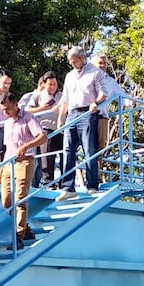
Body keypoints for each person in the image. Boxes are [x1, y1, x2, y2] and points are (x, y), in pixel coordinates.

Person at [56, 46, 108, 201]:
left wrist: (95, 102)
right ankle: (68, 187)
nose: (72, 64)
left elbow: (103, 93)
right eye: (70, 62)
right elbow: (65, 98)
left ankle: (92, 185)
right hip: (71, 114)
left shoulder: (95, 72)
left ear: (82, 58)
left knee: (89, 150)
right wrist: (61, 118)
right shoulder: (69, 76)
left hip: (88, 113)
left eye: (74, 61)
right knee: (68, 150)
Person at [0, 93, 47, 250]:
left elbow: (43, 137)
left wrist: (26, 145)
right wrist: (0, 170)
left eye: (9, 109)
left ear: (16, 104)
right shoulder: (7, 123)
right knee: (6, 200)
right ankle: (26, 228)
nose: (7, 113)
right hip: (9, 162)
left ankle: (18, 236)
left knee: (20, 198)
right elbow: (7, 148)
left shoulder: (28, 117)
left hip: (25, 161)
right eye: (4, 110)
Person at [91, 53, 129, 169]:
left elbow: (122, 97)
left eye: (104, 63)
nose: (102, 66)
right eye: (100, 63)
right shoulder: (87, 77)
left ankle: (95, 179)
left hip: (102, 117)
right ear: (93, 65)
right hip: (85, 116)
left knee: (99, 149)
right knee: (84, 148)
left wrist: (131, 102)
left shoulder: (111, 81)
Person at [25, 71, 63, 188]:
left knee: (64, 156)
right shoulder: (38, 96)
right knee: (47, 158)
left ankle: (64, 183)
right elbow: (27, 110)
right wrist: (42, 108)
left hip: (61, 128)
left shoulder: (62, 95)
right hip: (46, 129)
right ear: (44, 84)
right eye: (50, 84)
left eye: (54, 84)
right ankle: (48, 183)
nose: (52, 87)